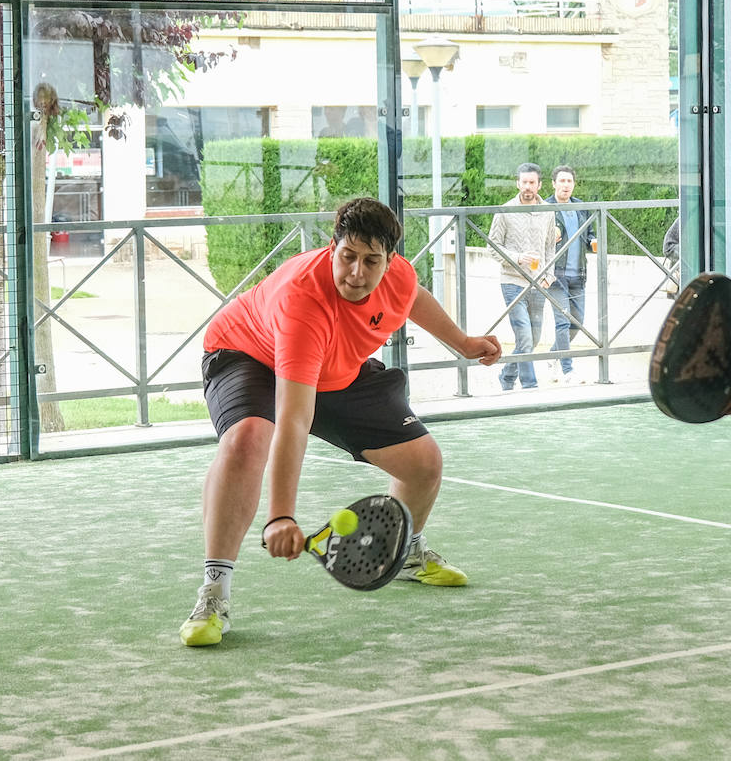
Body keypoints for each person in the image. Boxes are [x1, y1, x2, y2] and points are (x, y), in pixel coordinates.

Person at [179, 197, 502, 647]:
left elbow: (413, 298)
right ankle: (214, 591)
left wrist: (463, 342)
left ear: (390, 262)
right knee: (249, 438)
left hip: (334, 368)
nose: (356, 273)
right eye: (347, 257)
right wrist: (281, 516)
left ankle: (404, 551)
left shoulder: (397, 277)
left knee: (423, 463)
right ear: (332, 247)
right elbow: (294, 419)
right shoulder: (304, 302)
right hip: (247, 354)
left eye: (371, 261)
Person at [488, 162, 557, 390]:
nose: (528, 187)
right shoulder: (505, 210)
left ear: (539, 184)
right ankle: (530, 386)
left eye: (532, 182)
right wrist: (517, 257)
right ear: (518, 183)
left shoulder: (548, 210)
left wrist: (549, 274)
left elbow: (550, 247)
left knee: (533, 339)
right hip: (512, 282)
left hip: (539, 283)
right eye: (524, 182)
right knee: (525, 337)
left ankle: (507, 376)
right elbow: (492, 246)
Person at [545, 165, 594, 383]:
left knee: (577, 322)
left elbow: (590, 232)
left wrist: (594, 240)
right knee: (562, 322)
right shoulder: (545, 207)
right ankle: (568, 371)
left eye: (569, 181)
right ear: (553, 183)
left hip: (578, 274)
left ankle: (554, 355)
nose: (566, 185)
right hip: (555, 275)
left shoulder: (581, 207)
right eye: (562, 181)